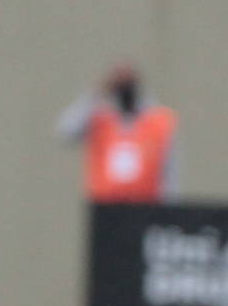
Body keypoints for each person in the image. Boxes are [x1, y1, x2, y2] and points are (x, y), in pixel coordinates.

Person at [57, 62, 177, 203]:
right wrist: (98, 94)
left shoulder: (157, 122)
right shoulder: (99, 118)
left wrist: (167, 209)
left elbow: (170, 171)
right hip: (104, 207)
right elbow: (67, 131)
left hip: (146, 206)